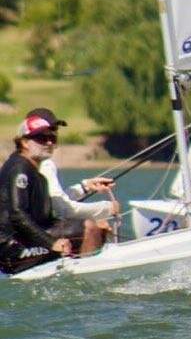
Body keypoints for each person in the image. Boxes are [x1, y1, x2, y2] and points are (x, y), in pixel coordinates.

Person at [0, 111, 114, 275]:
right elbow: (17, 214)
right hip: (12, 250)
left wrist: (96, 225)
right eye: (41, 138)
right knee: (88, 227)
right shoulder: (20, 168)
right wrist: (51, 243)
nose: (49, 143)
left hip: (25, 240)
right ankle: (90, 283)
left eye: (53, 138)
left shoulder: (35, 170)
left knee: (94, 228)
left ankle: (82, 272)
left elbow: (45, 218)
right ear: (24, 142)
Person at [25, 108, 119, 223]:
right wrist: (107, 208)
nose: (50, 141)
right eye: (44, 136)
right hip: (33, 230)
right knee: (91, 227)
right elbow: (64, 209)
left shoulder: (28, 159)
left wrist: (85, 187)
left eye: (54, 133)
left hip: (31, 226)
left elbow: (55, 200)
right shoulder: (45, 164)